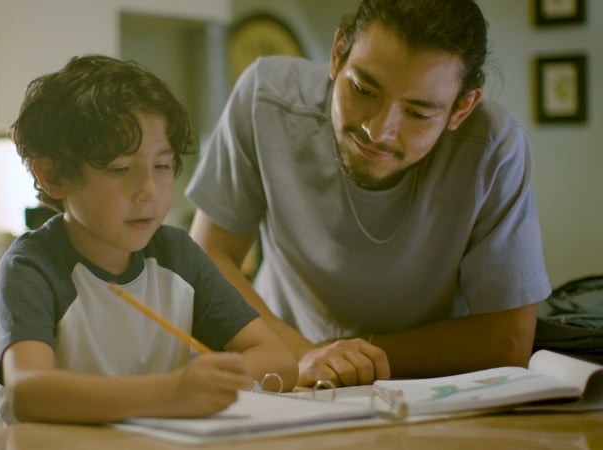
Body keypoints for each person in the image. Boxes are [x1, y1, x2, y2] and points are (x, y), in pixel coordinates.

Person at [186, 0, 552, 388]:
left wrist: (344, 354)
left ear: (461, 109)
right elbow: (208, 257)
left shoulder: (494, 146)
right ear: (338, 53)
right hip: (288, 379)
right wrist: (302, 354)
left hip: (424, 390)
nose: (378, 131)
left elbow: (507, 341)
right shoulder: (265, 97)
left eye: (417, 113)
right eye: (363, 89)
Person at [0, 55, 298, 428]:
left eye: (162, 166)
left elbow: (278, 360)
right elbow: (30, 393)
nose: (148, 191)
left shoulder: (178, 256)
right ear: (52, 176)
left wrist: (213, 382)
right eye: (120, 169)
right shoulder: (32, 266)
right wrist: (170, 394)